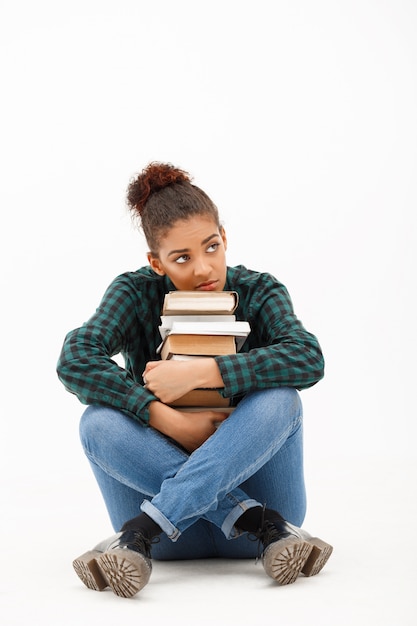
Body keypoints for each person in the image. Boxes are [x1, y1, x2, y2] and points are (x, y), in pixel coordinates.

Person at [56, 162, 332, 598]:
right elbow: (75, 359)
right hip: (233, 535)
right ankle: (256, 521)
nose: (203, 269)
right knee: (97, 423)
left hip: (168, 528)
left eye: (211, 247)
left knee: (282, 399)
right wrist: (165, 418)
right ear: (156, 263)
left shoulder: (258, 290)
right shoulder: (134, 293)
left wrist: (205, 373)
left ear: (225, 238)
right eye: (182, 258)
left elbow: (308, 357)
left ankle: (136, 533)